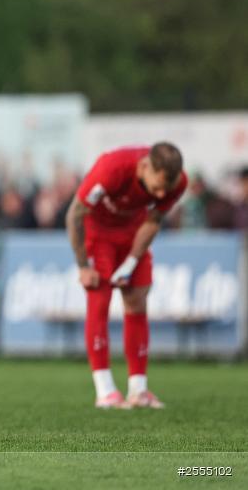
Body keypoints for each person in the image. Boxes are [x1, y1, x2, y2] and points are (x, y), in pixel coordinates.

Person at [65, 142, 187, 410]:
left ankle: (138, 390)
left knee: (137, 301)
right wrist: (83, 266)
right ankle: (105, 390)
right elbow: (74, 214)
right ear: (144, 166)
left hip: (133, 234)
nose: (159, 193)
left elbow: (153, 221)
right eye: (156, 187)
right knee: (99, 301)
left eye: (165, 189)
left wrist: (131, 261)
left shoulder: (177, 183)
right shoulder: (112, 169)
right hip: (98, 234)